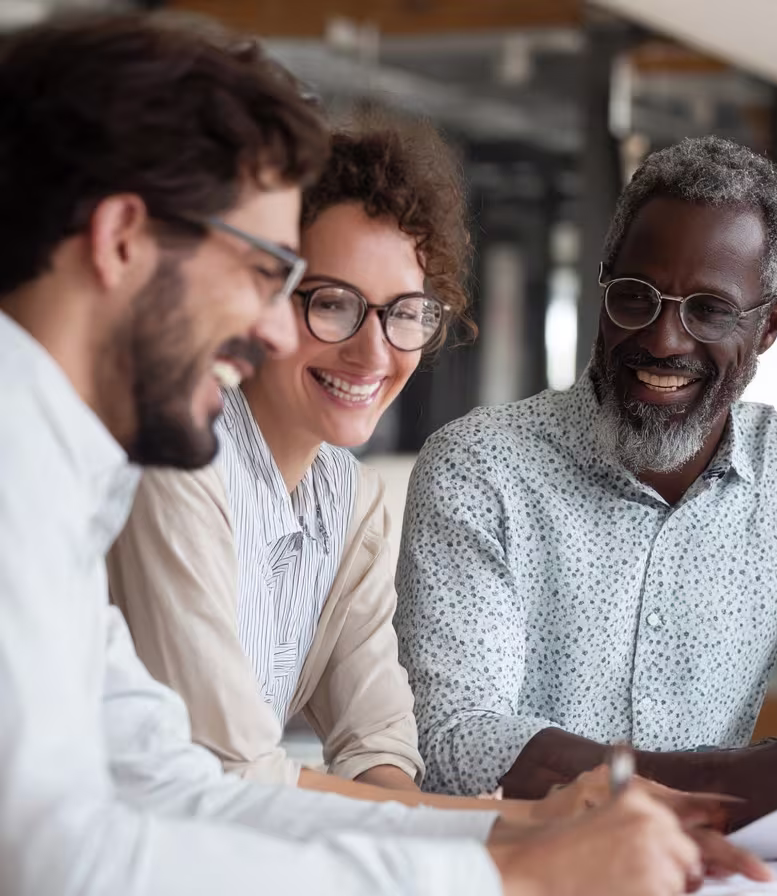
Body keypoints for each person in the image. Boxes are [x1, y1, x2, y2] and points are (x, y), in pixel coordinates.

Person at [0, 13, 761, 895]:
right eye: (262, 273)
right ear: (122, 238)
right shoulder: (21, 471)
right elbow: (54, 861)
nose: (271, 324)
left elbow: (176, 787)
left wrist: (526, 839)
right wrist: (518, 878)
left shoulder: (56, 471)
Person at [395, 135, 777, 824]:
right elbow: (461, 743)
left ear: (771, 325)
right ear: (603, 283)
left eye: (709, 310)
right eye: (635, 296)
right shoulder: (480, 467)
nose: (664, 340)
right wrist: (721, 782)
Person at [105, 120, 602, 823]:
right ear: (266, 298)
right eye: (333, 304)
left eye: (405, 313)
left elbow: (376, 741)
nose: (373, 354)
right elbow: (225, 771)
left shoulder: (349, 498)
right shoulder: (180, 462)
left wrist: (449, 836)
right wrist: (507, 826)